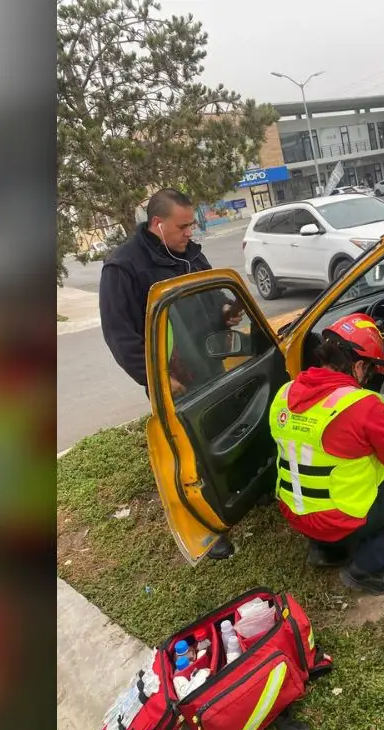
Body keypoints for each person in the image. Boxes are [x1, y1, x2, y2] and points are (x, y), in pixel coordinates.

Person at [100, 187, 240, 560]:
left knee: (220, 434)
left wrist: (226, 312)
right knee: (189, 453)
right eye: (183, 227)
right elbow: (120, 336)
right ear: (158, 224)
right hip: (172, 378)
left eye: (191, 225)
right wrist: (157, 380)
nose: (190, 233)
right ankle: (207, 529)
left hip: (208, 363)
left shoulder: (190, 255)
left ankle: (232, 499)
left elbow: (213, 302)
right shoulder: (123, 268)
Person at [268, 313, 384, 594]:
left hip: (294, 512)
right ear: (358, 366)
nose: (369, 379)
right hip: (338, 519)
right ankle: (366, 568)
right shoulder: (361, 404)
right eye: (370, 371)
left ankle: (325, 552)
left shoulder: (284, 393)